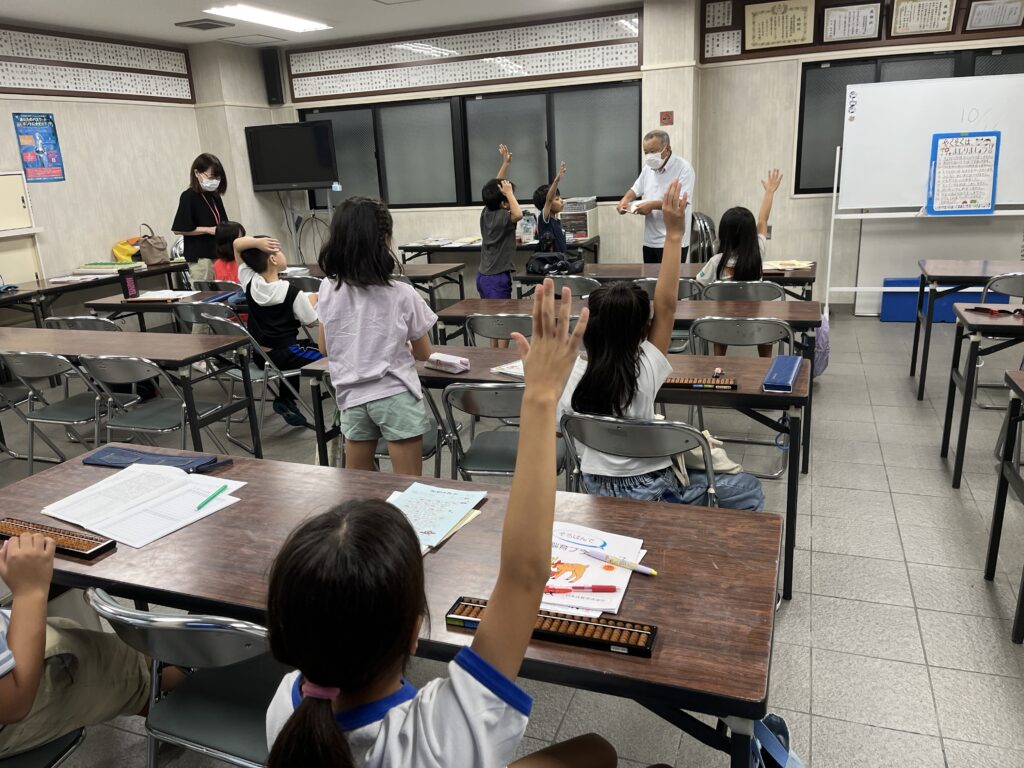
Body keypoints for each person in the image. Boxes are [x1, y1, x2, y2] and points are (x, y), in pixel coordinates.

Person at [265, 278, 625, 768]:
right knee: (598, 750)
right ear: (415, 632)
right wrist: (541, 397)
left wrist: (540, 398)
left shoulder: (284, 709)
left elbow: (523, 577)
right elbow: (524, 574)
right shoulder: (441, 735)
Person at [559, 180, 764, 512]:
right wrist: (674, 234)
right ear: (644, 329)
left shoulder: (570, 371)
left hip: (593, 487)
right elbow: (666, 306)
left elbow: (558, 428)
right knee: (749, 489)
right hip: (651, 490)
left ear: (590, 326)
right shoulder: (644, 367)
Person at [0, 532, 184, 757]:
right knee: (133, 665)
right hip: (18, 694)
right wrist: (29, 591)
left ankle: (168, 700)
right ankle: (196, 703)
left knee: (84, 640)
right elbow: (15, 703)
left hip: (12, 639)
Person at [316, 197, 436, 476]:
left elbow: (324, 347)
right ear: (384, 240)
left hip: (352, 396)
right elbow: (424, 354)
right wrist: (401, 346)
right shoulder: (402, 293)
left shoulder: (327, 288)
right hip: (395, 394)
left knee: (359, 487)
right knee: (408, 485)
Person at [695, 169, 783, 358]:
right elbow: (763, 220)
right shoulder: (758, 253)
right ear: (751, 235)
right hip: (758, 326)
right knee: (765, 315)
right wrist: (769, 192)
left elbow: (698, 286)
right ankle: (765, 364)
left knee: (720, 316)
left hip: (723, 327)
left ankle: (718, 365)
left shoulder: (716, 261)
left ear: (722, 234)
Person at [235, 237, 321, 427]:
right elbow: (312, 321)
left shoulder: (250, 281)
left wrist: (257, 244)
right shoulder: (293, 292)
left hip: (260, 354)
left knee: (298, 348)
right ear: (273, 260)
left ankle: (286, 400)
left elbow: (237, 245)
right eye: (279, 252)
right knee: (328, 354)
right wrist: (313, 299)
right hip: (285, 355)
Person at [616, 130, 695, 264]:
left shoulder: (684, 168)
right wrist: (624, 201)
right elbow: (635, 189)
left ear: (667, 149)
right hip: (650, 240)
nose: (649, 156)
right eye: (646, 152)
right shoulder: (648, 168)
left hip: (674, 240)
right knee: (650, 277)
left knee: (671, 277)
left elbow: (681, 202)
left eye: (653, 151)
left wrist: (652, 205)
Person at [478, 144, 522, 347]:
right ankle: (501, 358)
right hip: (497, 278)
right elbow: (518, 214)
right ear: (504, 203)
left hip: (483, 277)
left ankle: (494, 357)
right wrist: (510, 192)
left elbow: (493, 192)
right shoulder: (504, 217)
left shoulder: (486, 212)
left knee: (493, 322)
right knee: (503, 323)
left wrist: (505, 164)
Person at [172, 153, 229, 289]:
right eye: (211, 177)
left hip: (219, 255)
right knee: (203, 295)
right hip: (201, 259)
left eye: (217, 178)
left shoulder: (215, 196)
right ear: (197, 173)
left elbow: (223, 223)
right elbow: (179, 229)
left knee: (223, 293)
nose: (214, 181)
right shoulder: (188, 196)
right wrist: (208, 230)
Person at [533, 161, 568, 254]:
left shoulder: (557, 221)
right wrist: (556, 181)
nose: (561, 200)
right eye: (557, 199)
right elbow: (549, 199)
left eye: (560, 198)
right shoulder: (544, 220)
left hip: (561, 259)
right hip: (550, 261)